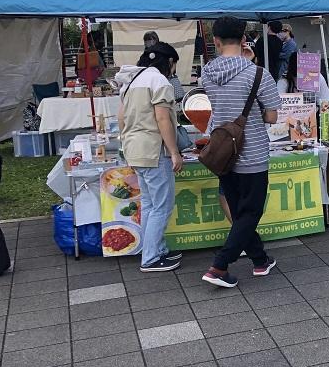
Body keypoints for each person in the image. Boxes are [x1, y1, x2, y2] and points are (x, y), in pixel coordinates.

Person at [200, 16, 283, 288]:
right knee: (251, 213)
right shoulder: (258, 74)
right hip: (253, 152)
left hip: (223, 152)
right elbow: (271, 117)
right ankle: (219, 266)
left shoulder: (207, 73)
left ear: (216, 41)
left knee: (239, 212)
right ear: (244, 39)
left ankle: (260, 260)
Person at [115, 42, 184, 272]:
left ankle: (153, 249)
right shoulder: (159, 81)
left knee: (149, 203)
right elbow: (163, 118)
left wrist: (126, 145)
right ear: (169, 62)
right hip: (154, 151)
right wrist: (174, 152)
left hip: (134, 151)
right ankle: (152, 258)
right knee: (162, 206)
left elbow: (121, 118)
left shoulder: (132, 81)